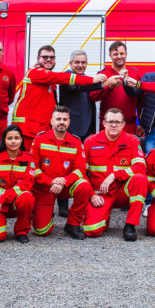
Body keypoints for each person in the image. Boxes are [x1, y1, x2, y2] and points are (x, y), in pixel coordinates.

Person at [58, 50, 120, 217]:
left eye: (83, 62)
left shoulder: (87, 79)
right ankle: (63, 204)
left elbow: (92, 96)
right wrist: (103, 83)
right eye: (77, 62)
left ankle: (86, 197)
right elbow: (77, 86)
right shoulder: (68, 78)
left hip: (87, 128)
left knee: (85, 166)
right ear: (70, 64)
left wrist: (108, 86)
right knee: (65, 166)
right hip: (71, 130)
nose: (80, 65)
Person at [12, 45, 105, 150]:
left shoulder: (49, 81)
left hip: (39, 129)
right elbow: (61, 77)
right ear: (38, 59)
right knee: (28, 161)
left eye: (51, 57)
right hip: (28, 129)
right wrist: (93, 80)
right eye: (45, 57)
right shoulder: (35, 72)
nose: (48, 60)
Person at [82, 108, 148, 241]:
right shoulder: (90, 142)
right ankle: (103, 217)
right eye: (110, 121)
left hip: (122, 191)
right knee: (91, 230)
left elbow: (140, 166)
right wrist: (91, 195)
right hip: (100, 193)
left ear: (123, 124)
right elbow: (81, 172)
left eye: (117, 122)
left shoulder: (132, 141)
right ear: (104, 123)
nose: (114, 125)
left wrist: (115, 175)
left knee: (140, 179)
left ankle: (130, 225)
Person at [29, 107, 93, 240]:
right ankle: (45, 214)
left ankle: (73, 224)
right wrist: (50, 181)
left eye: (65, 119)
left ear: (69, 122)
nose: (61, 122)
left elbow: (80, 169)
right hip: (45, 188)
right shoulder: (40, 139)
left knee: (84, 186)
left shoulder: (75, 141)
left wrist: (63, 181)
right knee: (42, 231)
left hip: (65, 186)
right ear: (51, 121)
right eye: (58, 119)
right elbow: (33, 167)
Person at [0, 125, 36, 243]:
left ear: (21, 140)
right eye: (9, 138)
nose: (13, 141)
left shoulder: (29, 159)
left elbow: (26, 184)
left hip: (11, 201)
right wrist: (2, 198)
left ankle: (21, 231)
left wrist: (4, 197)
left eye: (16, 138)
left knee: (27, 197)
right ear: (4, 140)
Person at [89, 41, 141, 135]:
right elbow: (93, 97)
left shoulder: (135, 73)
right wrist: (109, 86)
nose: (119, 56)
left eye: (122, 53)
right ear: (110, 55)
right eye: (115, 54)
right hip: (108, 126)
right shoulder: (103, 74)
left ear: (126, 54)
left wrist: (141, 123)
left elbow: (141, 101)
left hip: (129, 125)